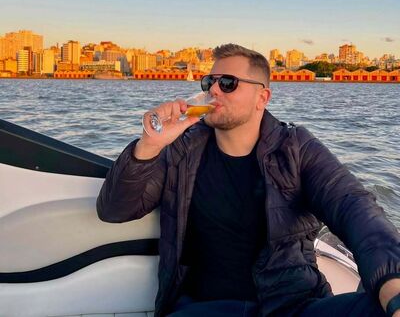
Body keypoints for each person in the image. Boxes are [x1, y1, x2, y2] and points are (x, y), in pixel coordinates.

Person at [97, 44, 400, 317]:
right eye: (209, 82)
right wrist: (149, 145)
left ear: (262, 97)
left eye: (228, 83)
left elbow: (352, 205)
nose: (214, 91)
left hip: (292, 305)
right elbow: (115, 210)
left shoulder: (296, 148)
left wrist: (392, 282)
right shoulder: (182, 150)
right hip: (204, 306)